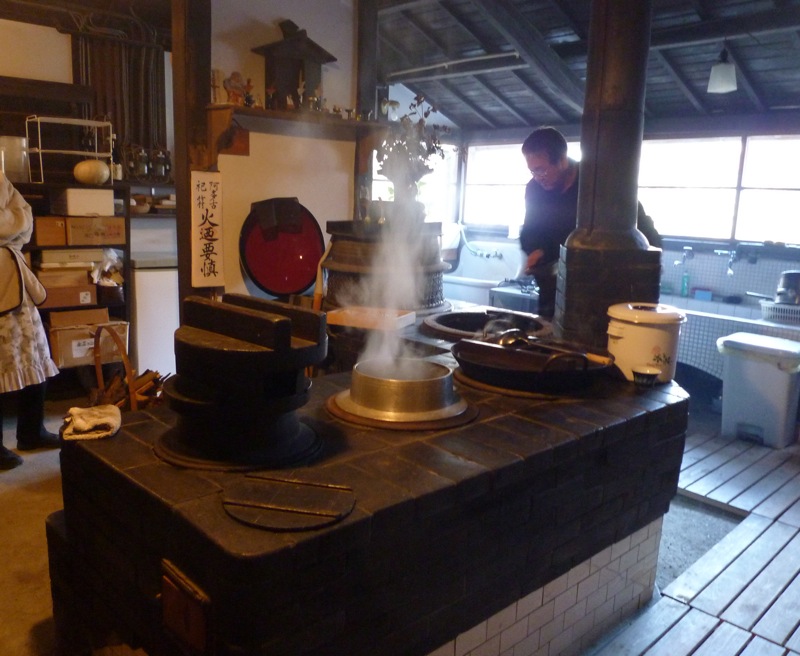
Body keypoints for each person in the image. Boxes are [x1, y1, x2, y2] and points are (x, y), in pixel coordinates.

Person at [519, 126, 661, 317]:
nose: (538, 178)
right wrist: (536, 250)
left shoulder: (600, 182)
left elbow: (641, 228)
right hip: (553, 288)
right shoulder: (535, 189)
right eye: (532, 172)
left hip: (599, 288)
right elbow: (530, 231)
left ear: (562, 160)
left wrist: (650, 266)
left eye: (541, 170)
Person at [0, 171, 60, 469]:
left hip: (19, 285)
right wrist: (11, 222)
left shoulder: (1, 179)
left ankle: (32, 432)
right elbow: (15, 221)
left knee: (37, 356)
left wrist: (12, 222)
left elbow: (26, 219)